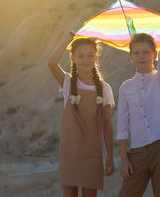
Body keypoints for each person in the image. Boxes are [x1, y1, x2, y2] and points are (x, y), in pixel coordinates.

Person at [117, 19, 160, 197]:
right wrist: (124, 159)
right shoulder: (125, 87)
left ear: (154, 54)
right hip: (137, 151)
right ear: (131, 57)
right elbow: (122, 126)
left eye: (146, 52)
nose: (141, 56)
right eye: (136, 53)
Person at [48, 32, 115, 197]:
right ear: (73, 58)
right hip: (69, 152)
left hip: (93, 153)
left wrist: (110, 156)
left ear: (96, 58)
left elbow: (107, 126)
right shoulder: (67, 83)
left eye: (90, 55)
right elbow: (51, 63)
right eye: (81, 56)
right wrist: (68, 40)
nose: (86, 60)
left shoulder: (104, 88)